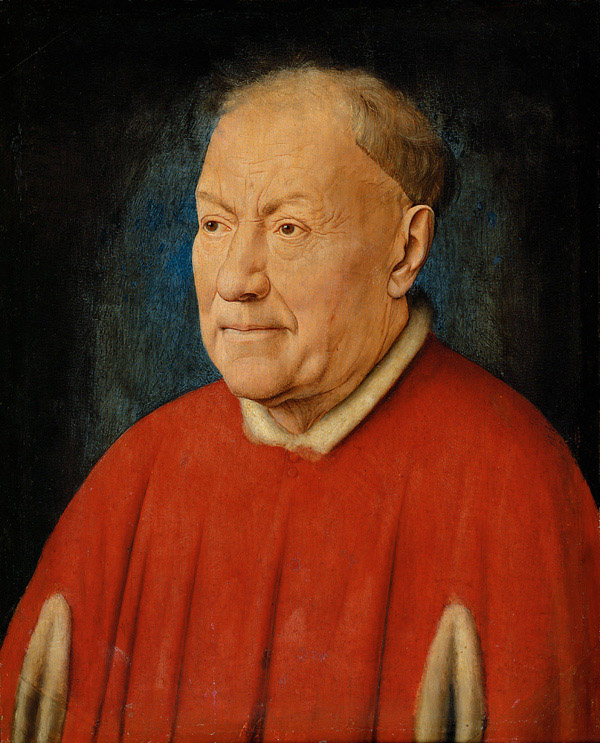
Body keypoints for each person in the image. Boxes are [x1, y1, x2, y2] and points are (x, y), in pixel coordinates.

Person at [1, 65, 599, 743]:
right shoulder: (134, 477)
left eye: (289, 228)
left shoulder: (515, 486)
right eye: (215, 223)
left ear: (405, 251)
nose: (235, 279)